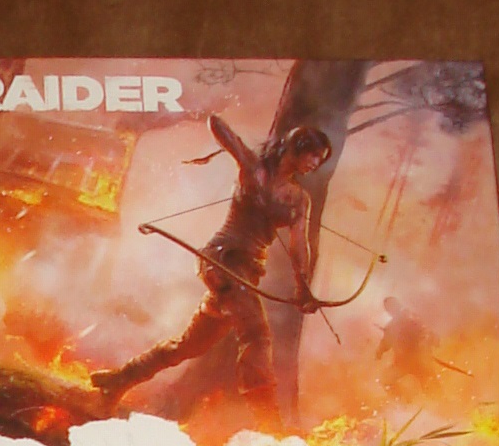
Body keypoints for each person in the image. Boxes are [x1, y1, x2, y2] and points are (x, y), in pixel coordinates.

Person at [92, 121, 332, 412]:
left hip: (247, 272)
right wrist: (231, 139)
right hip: (222, 260)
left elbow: (298, 245)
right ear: (296, 147)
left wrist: (303, 288)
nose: (315, 163)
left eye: (320, 159)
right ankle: (269, 422)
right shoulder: (255, 169)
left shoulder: (298, 199)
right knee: (256, 335)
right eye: (313, 154)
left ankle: (119, 379)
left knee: (190, 345)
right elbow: (218, 125)